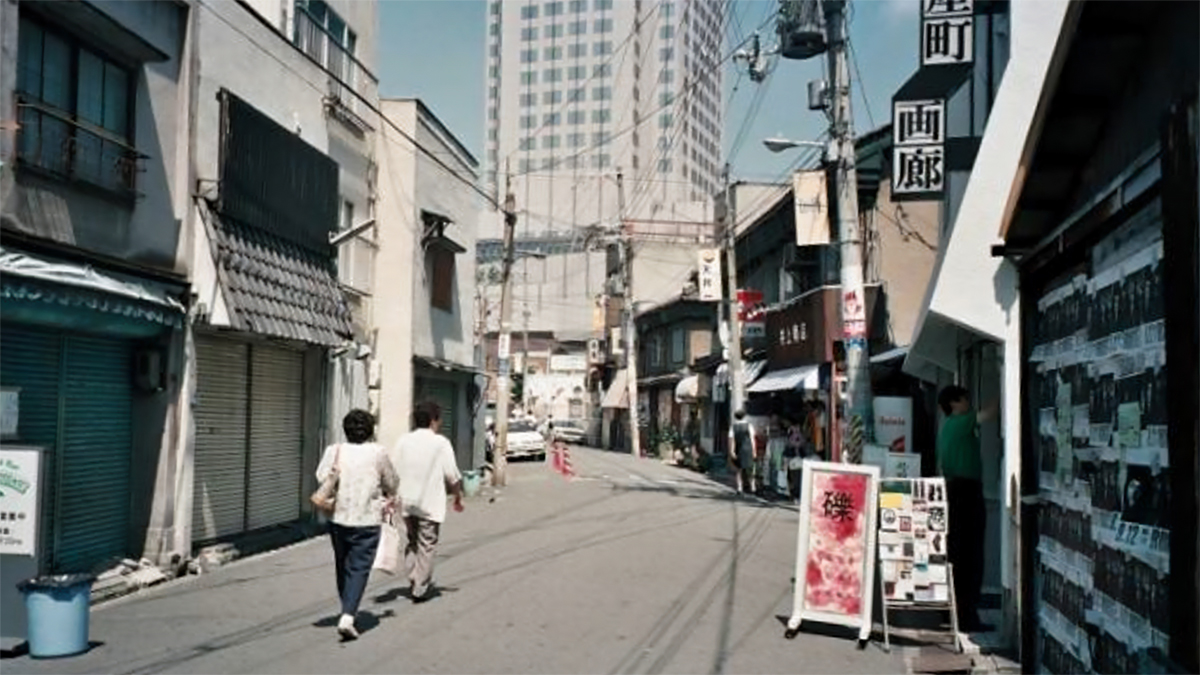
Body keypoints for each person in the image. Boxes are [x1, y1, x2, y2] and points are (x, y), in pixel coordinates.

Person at [315, 409, 399, 640]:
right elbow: (391, 482)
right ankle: (348, 615)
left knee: (342, 565)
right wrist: (388, 491)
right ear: (370, 431)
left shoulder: (335, 450)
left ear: (346, 430)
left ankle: (347, 608)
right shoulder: (378, 452)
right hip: (367, 520)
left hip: (338, 518)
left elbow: (321, 476)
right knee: (359, 568)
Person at [389, 401, 464, 603]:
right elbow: (452, 475)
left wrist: (390, 496)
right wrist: (457, 496)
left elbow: (392, 471)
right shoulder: (441, 443)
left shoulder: (403, 441)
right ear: (433, 420)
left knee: (413, 541)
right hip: (430, 503)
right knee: (427, 544)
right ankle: (419, 585)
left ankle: (414, 575)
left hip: (406, 502)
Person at [935, 385, 996, 633]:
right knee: (971, 556)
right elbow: (988, 414)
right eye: (965, 399)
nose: (969, 404)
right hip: (966, 492)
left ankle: (950, 611)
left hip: (952, 491)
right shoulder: (961, 422)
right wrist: (1004, 388)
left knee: (956, 553)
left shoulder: (947, 426)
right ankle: (967, 615)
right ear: (954, 403)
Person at [728, 409, 757, 495]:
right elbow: (752, 439)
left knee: (738, 470)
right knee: (750, 469)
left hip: (738, 449)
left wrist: (732, 451)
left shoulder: (733, 427)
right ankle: (752, 487)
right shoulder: (749, 426)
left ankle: (739, 487)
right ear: (744, 416)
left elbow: (732, 440)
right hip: (748, 449)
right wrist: (754, 451)